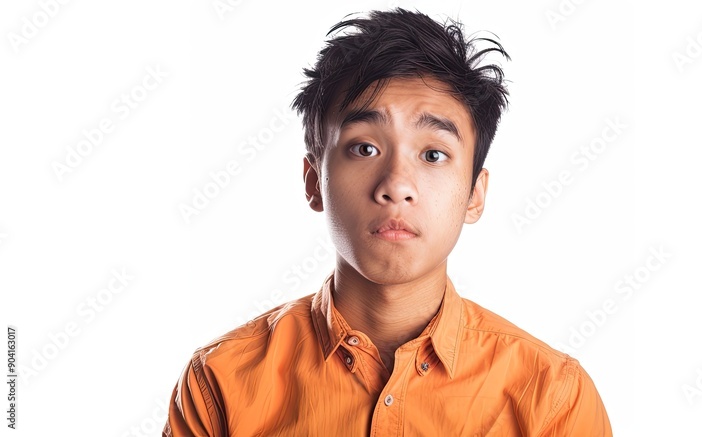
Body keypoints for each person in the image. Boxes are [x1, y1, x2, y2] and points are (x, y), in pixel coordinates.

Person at [163, 8, 612, 436]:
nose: (396, 185)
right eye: (365, 148)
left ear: (474, 195)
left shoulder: (552, 396)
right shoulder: (220, 383)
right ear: (314, 181)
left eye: (433, 154)